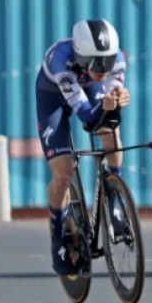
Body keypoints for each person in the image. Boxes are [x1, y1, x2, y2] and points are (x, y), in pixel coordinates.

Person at [36, 19, 130, 274]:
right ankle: (57, 239)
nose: (103, 69)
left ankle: (114, 198)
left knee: (110, 128)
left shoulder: (116, 58)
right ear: (79, 56)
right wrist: (105, 106)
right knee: (63, 174)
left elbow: (108, 105)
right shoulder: (60, 61)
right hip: (53, 100)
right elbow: (87, 116)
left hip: (87, 90)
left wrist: (118, 96)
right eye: (95, 63)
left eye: (107, 62)